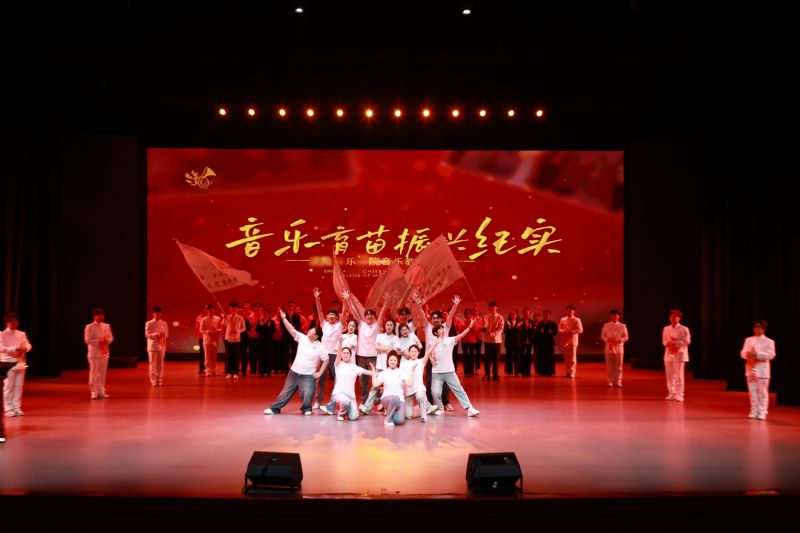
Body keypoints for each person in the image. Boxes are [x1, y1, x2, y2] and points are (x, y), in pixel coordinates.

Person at [264, 308, 329, 415]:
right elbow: (291, 329)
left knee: (308, 393)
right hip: (294, 373)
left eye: (312, 331)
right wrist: (284, 318)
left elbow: (326, 360)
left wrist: (320, 373)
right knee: (286, 392)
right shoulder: (302, 338)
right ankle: (274, 409)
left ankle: (306, 409)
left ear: (316, 336)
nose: (309, 331)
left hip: (308, 375)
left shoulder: (320, 347)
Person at [341, 290, 389, 412]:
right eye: (367, 315)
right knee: (363, 381)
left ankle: (377, 401)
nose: (369, 317)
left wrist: (386, 302)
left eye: (371, 315)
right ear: (365, 316)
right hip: (361, 356)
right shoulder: (361, 324)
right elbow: (354, 311)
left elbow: (382, 313)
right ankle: (364, 402)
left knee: (375, 379)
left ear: (374, 317)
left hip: (374, 356)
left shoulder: (377, 326)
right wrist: (348, 300)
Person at [413, 294, 459, 408]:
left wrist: (455, 305)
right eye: (433, 318)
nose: (435, 320)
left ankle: (446, 402)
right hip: (430, 359)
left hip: (443, 359)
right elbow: (422, 315)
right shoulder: (427, 327)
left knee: (445, 381)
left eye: (437, 318)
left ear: (441, 319)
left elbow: (450, 315)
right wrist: (418, 305)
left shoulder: (445, 327)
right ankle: (429, 403)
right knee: (429, 381)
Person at [428, 322, 480, 417]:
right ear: (435, 333)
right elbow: (428, 353)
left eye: (443, 329)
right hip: (437, 372)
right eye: (440, 329)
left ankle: (470, 408)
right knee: (435, 392)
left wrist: (470, 326)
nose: (443, 330)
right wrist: (431, 359)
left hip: (449, 371)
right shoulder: (433, 342)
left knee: (459, 389)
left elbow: (461, 335)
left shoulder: (450, 340)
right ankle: (440, 408)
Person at [321, 341, 376, 421]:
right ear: (341, 355)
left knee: (354, 417)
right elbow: (338, 354)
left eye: (347, 353)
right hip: (339, 393)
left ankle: (347, 411)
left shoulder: (354, 367)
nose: (346, 354)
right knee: (345, 401)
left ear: (350, 355)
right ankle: (341, 414)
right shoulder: (338, 365)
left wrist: (376, 372)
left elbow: (366, 372)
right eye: (344, 353)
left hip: (351, 396)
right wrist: (340, 342)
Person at [312, 288, 347, 409]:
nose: (331, 316)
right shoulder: (324, 324)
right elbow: (319, 311)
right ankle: (318, 401)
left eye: (333, 315)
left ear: (337, 317)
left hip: (334, 355)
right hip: (323, 355)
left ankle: (336, 401)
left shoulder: (339, 326)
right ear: (327, 317)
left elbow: (344, 311)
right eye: (329, 314)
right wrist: (317, 299)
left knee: (338, 379)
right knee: (320, 379)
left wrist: (345, 300)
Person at [740, 319, 776, 420]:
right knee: (753, 391)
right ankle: (754, 410)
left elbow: (771, 355)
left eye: (759, 327)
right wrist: (747, 354)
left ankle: (762, 411)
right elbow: (742, 353)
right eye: (755, 327)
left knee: (762, 392)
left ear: (764, 329)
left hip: (762, 370)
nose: (757, 329)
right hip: (750, 369)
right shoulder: (748, 340)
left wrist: (757, 355)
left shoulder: (769, 341)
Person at [362, 318, 399, 413]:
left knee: (389, 387)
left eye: (391, 325)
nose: (389, 327)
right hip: (379, 365)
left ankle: (388, 408)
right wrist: (389, 349)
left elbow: (395, 352)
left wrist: (382, 348)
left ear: (393, 327)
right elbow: (376, 347)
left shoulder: (395, 338)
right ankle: (367, 408)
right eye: (387, 325)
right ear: (384, 326)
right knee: (374, 387)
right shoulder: (380, 336)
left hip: (390, 367)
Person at [1, 313, 32, 417]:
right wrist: (15, 349)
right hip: (8, 363)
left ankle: (17, 408)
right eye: (12, 321)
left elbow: (28, 345)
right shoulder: (2, 334)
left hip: (21, 363)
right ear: (7, 322)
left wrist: (25, 348)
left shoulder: (22, 334)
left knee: (19, 388)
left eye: (16, 320)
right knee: (9, 387)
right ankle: (8, 409)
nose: (15, 323)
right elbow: (2, 348)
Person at [373, 353, 413, 427]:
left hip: (400, 400)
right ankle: (388, 419)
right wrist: (373, 373)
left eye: (394, 360)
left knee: (399, 421)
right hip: (386, 399)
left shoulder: (401, 372)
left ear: (397, 361)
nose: (392, 362)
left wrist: (412, 372)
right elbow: (375, 384)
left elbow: (409, 384)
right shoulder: (384, 373)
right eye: (391, 360)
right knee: (395, 398)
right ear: (388, 361)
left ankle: (391, 412)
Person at [84, 308, 113, 399]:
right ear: (94, 316)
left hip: (104, 351)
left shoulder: (106, 326)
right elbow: (87, 340)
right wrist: (99, 341)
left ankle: (101, 391)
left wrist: (106, 341)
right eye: (98, 315)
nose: (101, 317)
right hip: (94, 353)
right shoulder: (89, 326)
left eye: (102, 315)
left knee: (102, 372)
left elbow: (111, 337)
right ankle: (94, 391)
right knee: (94, 372)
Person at [662, 309, 691, 401]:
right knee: (670, 375)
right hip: (669, 353)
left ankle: (680, 394)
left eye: (675, 317)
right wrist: (667, 343)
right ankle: (671, 393)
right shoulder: (666, 328)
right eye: (671, 317)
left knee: (679, 375)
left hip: (679, 354)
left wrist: (676, 343)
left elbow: (687, 341)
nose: (673, 318)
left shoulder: (684, 329)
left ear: (679, 318)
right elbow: (664, 340)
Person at [401, 344, 431, 422]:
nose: (413, 353)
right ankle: (418, 408)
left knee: (420, 397)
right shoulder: (404, 363)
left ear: (418, 352)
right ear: (409, 352)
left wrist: (435, 344)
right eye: (412, 351)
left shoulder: (421, 362)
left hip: (418, 387)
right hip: (409, 388)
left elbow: (428, 353)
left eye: (415, 351)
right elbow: (400, 376)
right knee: (408, 416)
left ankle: (423, 415)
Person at [600, 309, 629, 388]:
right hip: (609, 347)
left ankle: (618, 381)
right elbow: (602, 336)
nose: (614, 317)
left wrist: (619, 340)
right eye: (613, 315)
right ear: (610, 316)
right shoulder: (606, 325)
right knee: (610, 365)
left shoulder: (622, 326)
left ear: (618, 316)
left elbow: (626, 337)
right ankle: (610, 381)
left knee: (619, 366)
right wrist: (608, 339)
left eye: (616, 315)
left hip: (619, 348)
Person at [144, 306, 169, 386]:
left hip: (161, 346)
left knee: (160, 364)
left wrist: (162, 335)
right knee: (152, 364)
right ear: (153, 314)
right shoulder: (149, 323)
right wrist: (156, 334)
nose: (157, 314)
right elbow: (147, 334)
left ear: (161, 314)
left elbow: (167, 334)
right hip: (152, 346)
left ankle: (160, 379)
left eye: (159, 313)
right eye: (156, 313)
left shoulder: (164, 323)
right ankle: (153, 380)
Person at [558, 305, 583, 378]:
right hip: (565, 340)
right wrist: (564, 331)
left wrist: (572, 331)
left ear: (574, 311)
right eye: (568, 310)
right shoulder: (563, 319)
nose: (569, 312)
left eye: (571, 310)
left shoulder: (577, 319)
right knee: (566, 357)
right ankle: (567, 372)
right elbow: (559, 329)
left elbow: (581, 330)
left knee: (572, 357)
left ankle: (572, 373)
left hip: (573, 341)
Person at [222, 302, 246, 380]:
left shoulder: (240, 318)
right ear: (229, 309)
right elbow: (223, 324)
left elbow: (244, 328)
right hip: (228, 338)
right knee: (229, 356)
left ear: (237, 309)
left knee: (236, 356)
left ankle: (236, 373)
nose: (233, 309)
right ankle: (229, 373)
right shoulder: (227, 317)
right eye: (232, 308)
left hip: (236, 339)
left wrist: (238, 331)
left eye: (235, 308)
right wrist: (224, 318)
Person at [199, 304, 222, 376]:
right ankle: (208, 369)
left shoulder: (218, 319)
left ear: (214, 310)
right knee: (207, 356)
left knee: (214, 355)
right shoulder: (203, 319)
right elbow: (201, 329)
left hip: (215, 339)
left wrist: (217, 331)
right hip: (207, 340)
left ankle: (214, 369)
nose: (211, 311)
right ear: (207, 311)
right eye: (209, 310)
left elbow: (221, 328)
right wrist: (208, 332)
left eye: (212, 310)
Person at [483, 300, 503, 381]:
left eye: (494, 306)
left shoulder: (500, 317)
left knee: (496, 359)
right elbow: (484, 329)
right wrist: (484, 324)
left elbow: (501, 328)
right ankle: (487, 374)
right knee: (487, 359)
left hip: (497, 341)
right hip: (488, 341)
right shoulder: (486, 317)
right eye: (491, 307)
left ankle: (495, 374)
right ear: (489, 308)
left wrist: (494, 334)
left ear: (496, 308)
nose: (493, 308)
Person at [534, 309, 558, 376]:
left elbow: (556, 332)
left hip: (550, 343)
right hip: (542, 343)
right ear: (543, 315)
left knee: (550, 357)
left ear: (549, 315)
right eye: (545, 314)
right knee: (542, 357)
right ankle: (542, 371)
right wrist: (540, 332)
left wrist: (551, 332)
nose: (546, 315)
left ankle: (550, 371)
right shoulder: (540, 323)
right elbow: (536, 332)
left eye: (547, 314)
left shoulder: (553, 323)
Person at [255, 306, 277, 376]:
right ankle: (261, 371)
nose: (265, 314)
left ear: (269, 314)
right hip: (261, 341)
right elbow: (257, 330)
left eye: (266, 313)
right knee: (261, 356)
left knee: (269, 356)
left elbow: (274, 330)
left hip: (269, 341)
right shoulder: (260, 321)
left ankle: (268, 371)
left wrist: (267, 327)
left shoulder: (272, 322)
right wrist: (263, 326)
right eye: (264, 313)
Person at [517, 308, 535, 377]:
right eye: (525, 313)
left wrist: (531, 328)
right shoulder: (520, 321)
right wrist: (525, 328)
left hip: (529, 341)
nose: (526, 314)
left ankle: (527, 371)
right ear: (523, 313)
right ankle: (522, 371)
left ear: (529, 313)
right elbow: (518, 330)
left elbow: (534, 331)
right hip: (522, 340)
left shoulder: (531, 321)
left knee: (528, 356)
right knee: (522, 355)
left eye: (527, 313)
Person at [504, 308, 521, 376]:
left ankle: (517, 372)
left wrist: (512, 328)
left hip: (517, 342)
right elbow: (505, 331)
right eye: (512, 314)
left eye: (514, 314)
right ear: (510, 315)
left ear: (516, 315)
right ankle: (509, 372)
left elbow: (520, 332)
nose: (513, 315)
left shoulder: (519, 322)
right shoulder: (507, 322)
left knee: (517, 358)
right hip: (509, 342)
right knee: (509, 358)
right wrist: (515, 328)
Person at [194, 305, 207, 374]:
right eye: (205, 309)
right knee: (202, 353)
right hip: (202, 337)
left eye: (207, 309)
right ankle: (202, 368)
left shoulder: (210, 317)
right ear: (203, 310)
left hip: (209, 337)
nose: (206, 310)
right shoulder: (199, 318)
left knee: (209, 353)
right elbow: (198, 328)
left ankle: (208, 367)